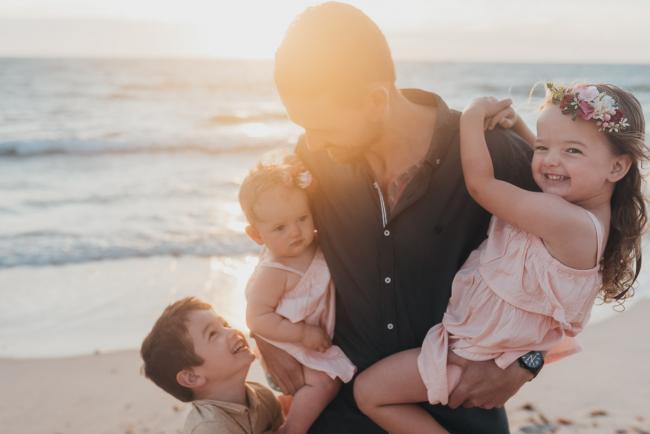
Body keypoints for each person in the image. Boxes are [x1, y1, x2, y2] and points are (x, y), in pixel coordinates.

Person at [255, 2, 545, 433]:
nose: (313, 141)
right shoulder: (315, 159)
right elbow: (281, 248)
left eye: (325, 128)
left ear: (375, 100)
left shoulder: (491, 154)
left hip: (462, 405)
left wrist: (526, 362)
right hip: (341, 407)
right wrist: (265, 336)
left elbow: (583, 254)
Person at [353, 83, 647, 433]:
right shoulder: (585, 213)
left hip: (470, 354)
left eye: (573, 150)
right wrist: (521, 128)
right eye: (543, 146)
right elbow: (545, 174)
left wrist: (472, 118)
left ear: (616, 167)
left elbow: (481, 186)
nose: (551, 159)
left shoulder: (566, 221)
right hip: (487, 344)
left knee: (369, 393)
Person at [240, 159, 356, 434]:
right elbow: (256, 318)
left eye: (302, 219)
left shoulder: (312, 244)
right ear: (257, 235)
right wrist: (302, 334)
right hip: (292, 345)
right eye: (279, 228)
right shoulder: (274, 271)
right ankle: (293, 429)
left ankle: (289, 407)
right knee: (324, 382)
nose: (295, 231)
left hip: (309, 342)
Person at [140, 297, 284, 434]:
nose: (233, 331)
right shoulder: (210, 427)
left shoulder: (264, 396)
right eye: (213, 334)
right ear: (192, 377)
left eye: (226, 325)